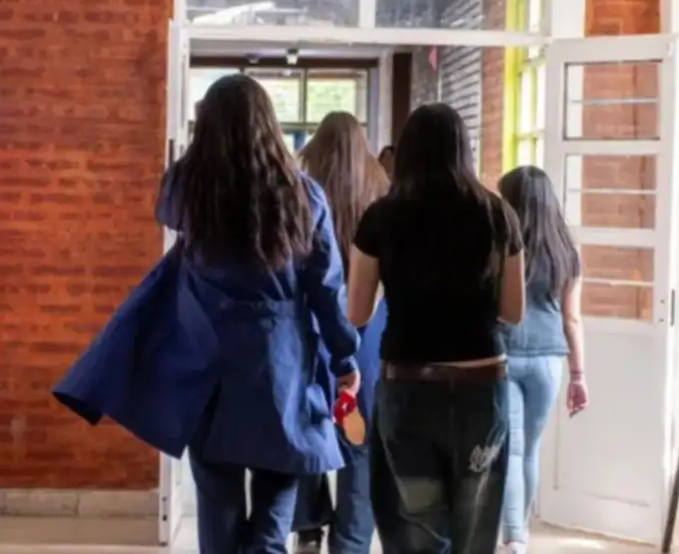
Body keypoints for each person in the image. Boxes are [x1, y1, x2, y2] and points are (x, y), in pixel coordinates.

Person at [156, 74, 361, 554]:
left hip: (206, 360)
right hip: (279, 364)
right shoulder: (303, 195)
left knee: (218, 503)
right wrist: (344, 357)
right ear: (270, 125)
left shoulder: (189, 189)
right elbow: (325, 287)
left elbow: (169, 212)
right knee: (275, 499)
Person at [346, 103, 525, 554]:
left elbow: (357, 312)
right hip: (482, 388)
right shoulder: (498, 214)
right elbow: (513, 310)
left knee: (416, 527)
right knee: (475, 529)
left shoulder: (381, 216)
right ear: (464, 150)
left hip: (409, 387)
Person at [291, 112, 391, 554]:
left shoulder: (300, 181)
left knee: (305, 427)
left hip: (309, 324)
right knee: (358, 438)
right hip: (367, 325)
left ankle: (308, 528)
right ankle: (350, 544)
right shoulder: (380, 185)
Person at [496, 166, 589, 554]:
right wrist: (578, 375)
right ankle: (520, 531)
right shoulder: (566, 249)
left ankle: (514, 538)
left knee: (511, 450)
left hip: (503, 354)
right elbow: (572, 318)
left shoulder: (499, 243)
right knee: (529, 449)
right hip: (549, 360)